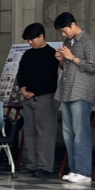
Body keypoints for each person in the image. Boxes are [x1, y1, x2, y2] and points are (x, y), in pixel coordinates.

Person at [54, 12, 95, 184]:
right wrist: (62, 60)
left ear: (73, 24)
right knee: (68, 132)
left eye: (64, 30)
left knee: (81, 131)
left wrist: (71, 57)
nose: (63, 34)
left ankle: (84, 171)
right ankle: (74, 169)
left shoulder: (88, 41)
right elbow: (68, 66)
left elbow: (93, 66)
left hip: (81, 92)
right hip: (66, 91)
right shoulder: (68, 42)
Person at [17, 23, 59, 177]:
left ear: (41, 36)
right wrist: (23, 88)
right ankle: (32, 164)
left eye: (32, 39)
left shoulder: (51, 54)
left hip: (45, 97)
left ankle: (45, 166)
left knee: (45, 132)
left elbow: (50, 79)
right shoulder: (28, 54)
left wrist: (34, 91)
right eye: (28, 40)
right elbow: (21, 73)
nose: (30, 42)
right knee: (29, 131)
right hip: (27, 97)